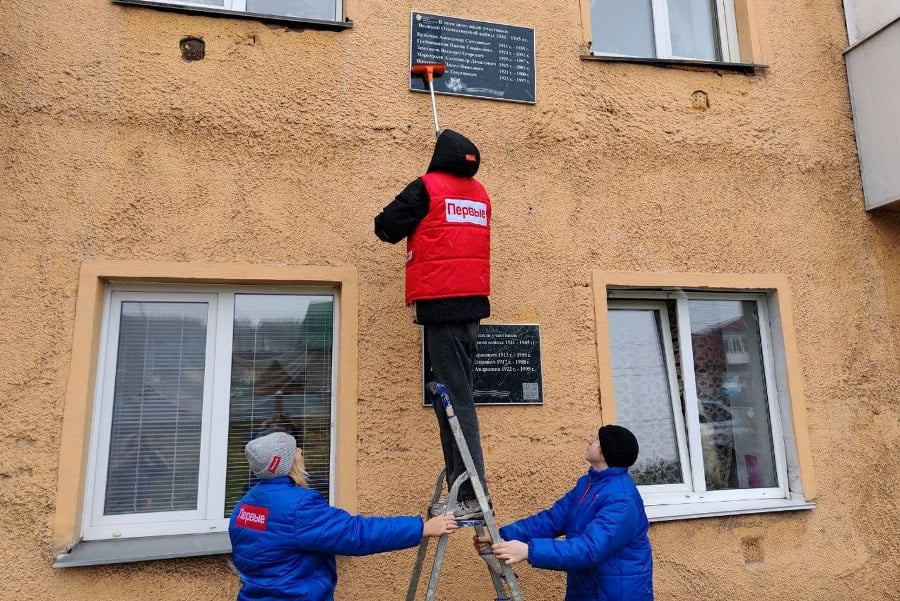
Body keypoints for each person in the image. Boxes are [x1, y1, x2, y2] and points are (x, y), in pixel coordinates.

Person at [374, 129, 491, 520]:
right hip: (471, 305)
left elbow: (386, 227)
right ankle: (462, 487)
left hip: (442, 307)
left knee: (457, 401)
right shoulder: (480, 194)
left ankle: (474, 494)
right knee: (450, 400)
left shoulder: (427, 188)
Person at [229, 429, 458, 601]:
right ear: (283, 463)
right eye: (294, 449)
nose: (300, 451)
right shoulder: (299, 507)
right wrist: (421, 528)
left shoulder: (244, 506)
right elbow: (357, 534)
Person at [475, 425, 653, 601]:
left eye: (597, 438)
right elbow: (552, 519)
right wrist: (501, 536)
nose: (589, 440)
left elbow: (589, 549)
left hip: (617, 594)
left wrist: (529, 550)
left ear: (606, 452)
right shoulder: (587, 484)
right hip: (588, 590)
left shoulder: (622, 498)